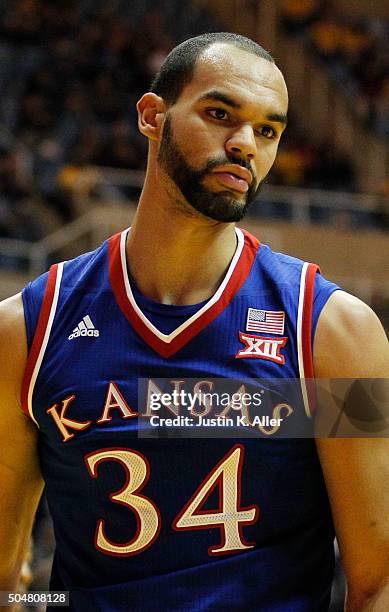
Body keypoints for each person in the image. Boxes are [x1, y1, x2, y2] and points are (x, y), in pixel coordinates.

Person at [0, 32, 388, 612]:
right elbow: (9, 577)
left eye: (268, 131)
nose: (244, 144)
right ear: (152, 116)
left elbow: (377, 579)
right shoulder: (28, 329)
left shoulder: (336, 332)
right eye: (219, 113)